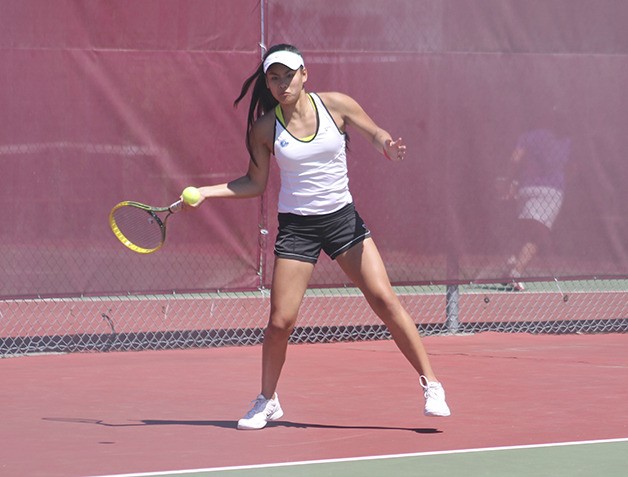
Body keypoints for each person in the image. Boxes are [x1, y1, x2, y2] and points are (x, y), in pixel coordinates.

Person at [187, 44, 451, 430]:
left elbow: (375, 133)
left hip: (342, 220)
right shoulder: (264, 128)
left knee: (384, 299)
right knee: (280, 322)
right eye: (274, 77)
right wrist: (206, 193)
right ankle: (267, 400)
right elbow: (254, 183)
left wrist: (387, 147)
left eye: (289, 75)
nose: (282, 83)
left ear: (305, 74)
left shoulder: (337, 105)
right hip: (297, 227)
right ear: (268, 82)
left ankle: (432, 385)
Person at [501, 123, 571, 291]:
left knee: (524, 229)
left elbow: (515, 159)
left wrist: (510, 181)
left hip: (526, 188)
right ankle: (515, 273)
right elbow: (573, 167)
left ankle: (511, 262)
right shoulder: (567, 138)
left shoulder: (528, 135)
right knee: (536, 236)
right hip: (552, 191)